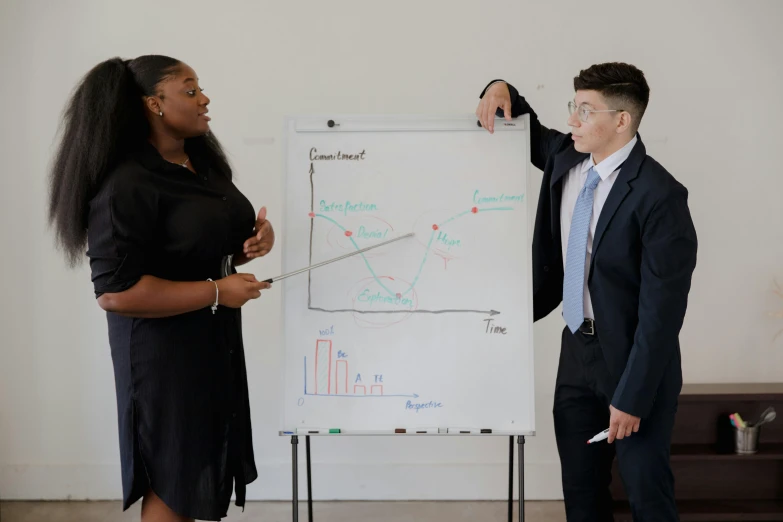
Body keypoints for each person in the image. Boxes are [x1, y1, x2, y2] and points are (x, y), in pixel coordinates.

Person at [47, 55, 275, 522]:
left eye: (200, 89)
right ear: (154, 103)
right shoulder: (126, 184)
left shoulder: (202, 164)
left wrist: (249, 247)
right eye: (190, 91)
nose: (204, 99)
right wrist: (217, 291)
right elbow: (115, 294)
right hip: (162, 356)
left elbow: (195, 246)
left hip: (212, 343)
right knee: (174, 481)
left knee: (197, 471)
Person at [476, 63, 698, 520]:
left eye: (585, 110)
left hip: (634, 361)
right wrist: (499, 87)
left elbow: (662, 315)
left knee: (647, 495)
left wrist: (632, 396)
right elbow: (522, 119)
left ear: (622, 120)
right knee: (582, 496)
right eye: (573, 106)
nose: (573, 120)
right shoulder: (566, 156)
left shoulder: (661, 196)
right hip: (577, 353)